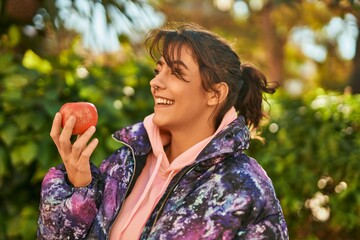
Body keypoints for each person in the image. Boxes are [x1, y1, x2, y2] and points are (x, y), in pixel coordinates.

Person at [37, 22, 288, 240]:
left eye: (176, 73)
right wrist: (79, 183)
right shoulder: (124, 163)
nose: (155, 82)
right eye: (158, 71)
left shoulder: (244, 185)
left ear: (215, 94)